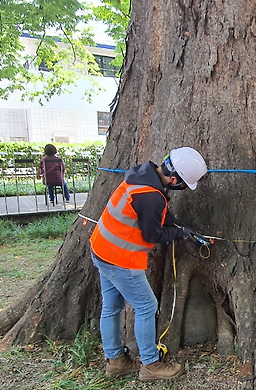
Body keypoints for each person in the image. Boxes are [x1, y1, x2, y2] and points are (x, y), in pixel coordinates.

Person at [89, 147, 209, 382]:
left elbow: (158, 213)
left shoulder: (142, 175)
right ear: (174, 179)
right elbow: (152, 234)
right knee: (146, 307)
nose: (181, 188)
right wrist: (179, 234)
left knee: (111, 307)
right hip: (120, 259)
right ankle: (151, 365)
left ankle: (115, 361)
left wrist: (179, 225)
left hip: (101, 249)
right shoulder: (152, 196)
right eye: (182, 185)